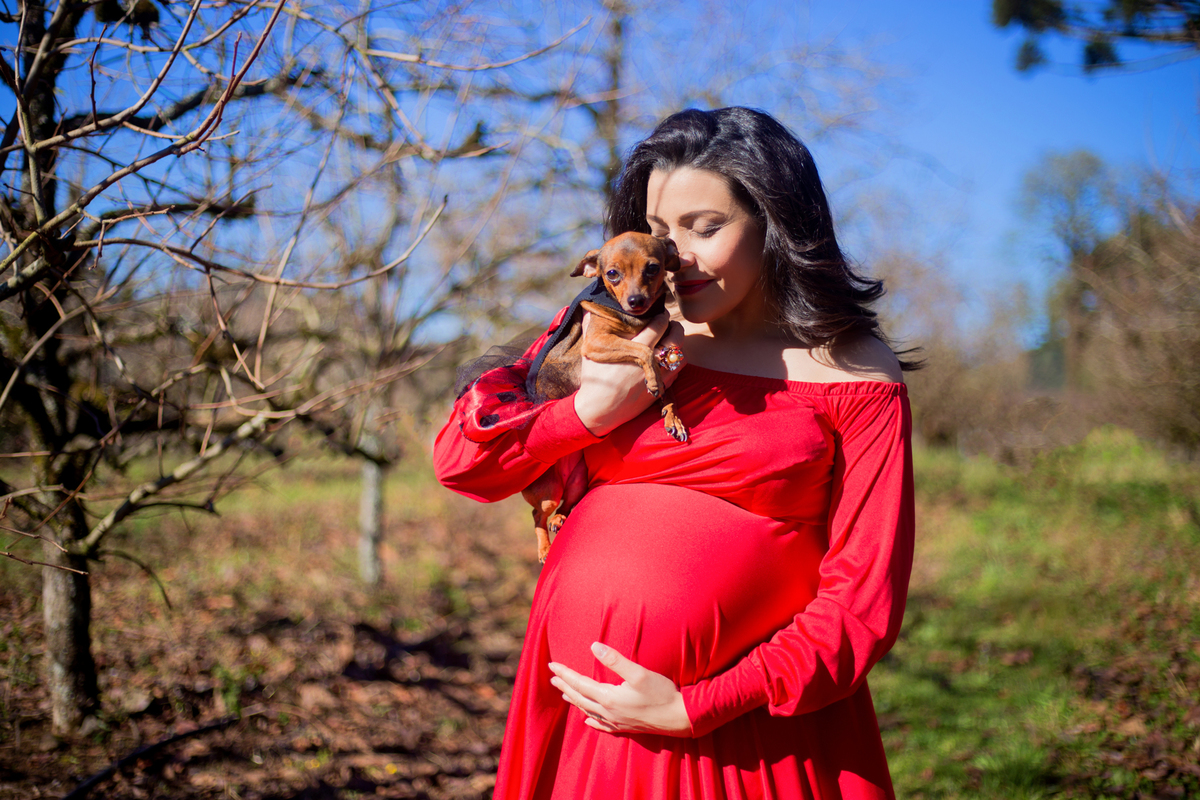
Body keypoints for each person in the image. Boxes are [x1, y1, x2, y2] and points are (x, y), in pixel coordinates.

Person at [433, 107, 916, 800]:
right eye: (661, 229)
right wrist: (587, 413)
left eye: (705, 228)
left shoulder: (854, 371)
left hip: (745, 735)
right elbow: (463, 462)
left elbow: (863, 598)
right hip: (584, 724)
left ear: (775, 223)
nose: (675, 255)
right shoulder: (617, 332)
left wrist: (699, 705)